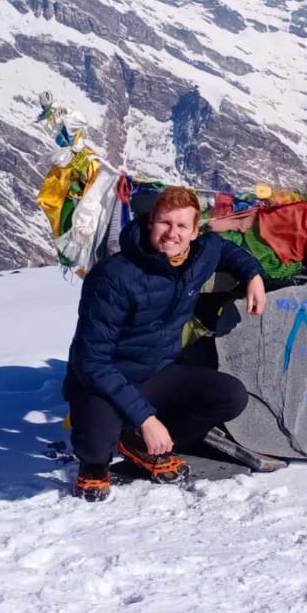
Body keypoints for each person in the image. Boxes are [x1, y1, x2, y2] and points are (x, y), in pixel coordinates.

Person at [64, 185, 267, 501]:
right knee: (94, 441)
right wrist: (146, 418)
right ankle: (94, 465)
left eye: (182, 226)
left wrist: (253, 275)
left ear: (194, 232)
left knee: (230, 396)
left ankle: (138, 444)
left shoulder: (199, 254)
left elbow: (225, 249)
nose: (172, 233)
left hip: (157, 372)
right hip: (104, 379)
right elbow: (92, 360)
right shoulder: (113, 277)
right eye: (165, 223)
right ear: (149, 223)